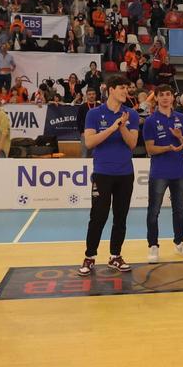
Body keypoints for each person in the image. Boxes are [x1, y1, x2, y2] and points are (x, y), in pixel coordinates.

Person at [79, 75, 139, 276]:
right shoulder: (94, 114)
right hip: (102, 173)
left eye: (127, 87)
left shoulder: (131, 114)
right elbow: (89, 142)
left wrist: (122, 126)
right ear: (111, 90)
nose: (125, 91)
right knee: (98, 217)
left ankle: (115, 256)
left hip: (125, 173)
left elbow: (132, 144)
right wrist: (112, 127)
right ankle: (89, 256)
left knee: (120, 217)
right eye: (122, 87)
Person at [143, 84, 183, 263]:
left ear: (173, 97)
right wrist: (168, 147)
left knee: (179, 211)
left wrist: (179, 136)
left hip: (179, 170)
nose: (165, 98)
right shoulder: (151, 121)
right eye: (161, 95)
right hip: (159, 172)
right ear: (156, 98)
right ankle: (153, 245)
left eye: (168, 94)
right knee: (154, 210)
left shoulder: (181, 118)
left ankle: (179, 242)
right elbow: (150, 149)